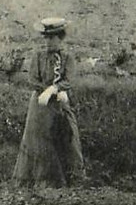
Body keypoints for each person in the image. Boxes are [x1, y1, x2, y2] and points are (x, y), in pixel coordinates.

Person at [12, 17, 85, 188]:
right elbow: (32, 79)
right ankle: (39, 182)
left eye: (52, 38)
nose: (48, 41)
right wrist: (46, 90)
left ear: (60, 38)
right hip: (40, 104)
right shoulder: (38, 56)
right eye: (46, 37)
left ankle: (71, 180)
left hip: (60, 102)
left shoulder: (68, 58)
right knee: (38, 140)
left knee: (69, 136)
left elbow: (69, 79)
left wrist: (56, 89)